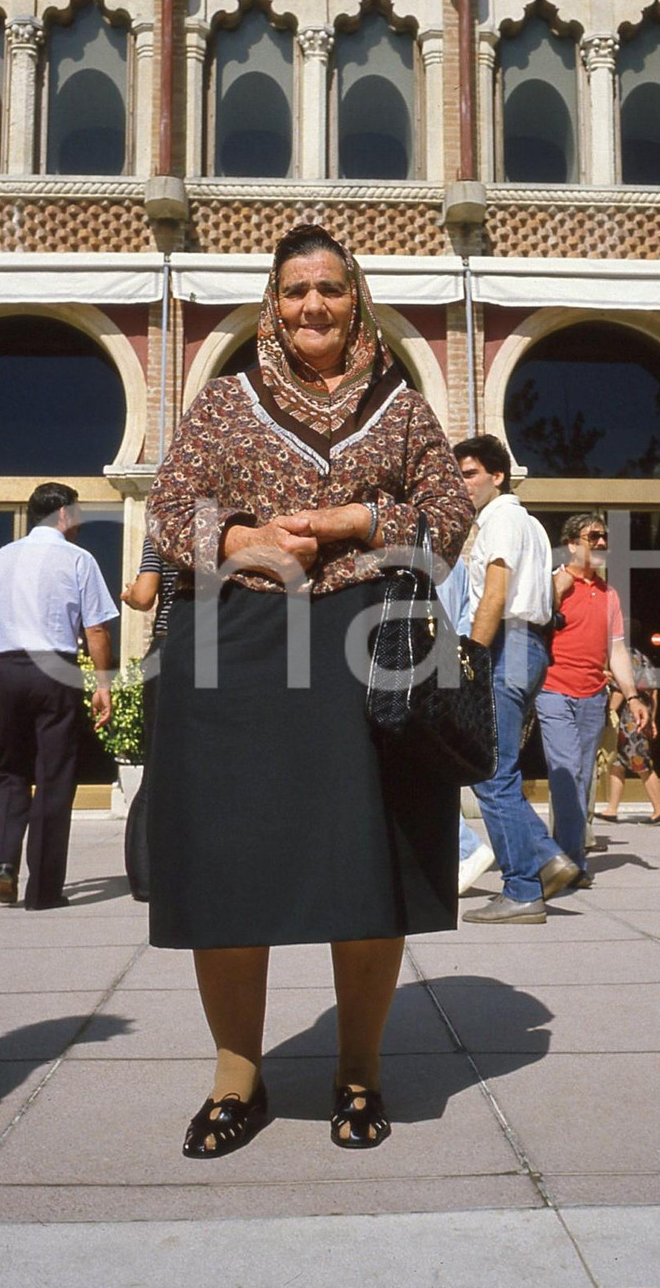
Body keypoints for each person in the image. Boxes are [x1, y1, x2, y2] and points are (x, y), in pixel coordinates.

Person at [144, 224, 474, 1157]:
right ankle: (235, 1078)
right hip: (238, 649)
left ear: (355, 296)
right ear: (272, 302)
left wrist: (360, 516)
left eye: (329, 287)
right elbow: (168, 510)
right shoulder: (222, 402)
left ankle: (358, 1070)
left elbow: (449, 517)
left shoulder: (403, 408)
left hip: (370, 657)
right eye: (294, 291)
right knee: (227, 865)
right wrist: (238, 541)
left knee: (363, 863)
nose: (312, 306)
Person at [0, 482, 118, 910]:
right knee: (54, 776)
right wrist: (102, 684)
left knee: (11, 769)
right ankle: (44, 890)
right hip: (56, 670)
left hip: (9, 669)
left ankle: (4, 866)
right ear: (65, 515)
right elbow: (98, 630)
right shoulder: (79, 560)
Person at [450, 435, 577, 925]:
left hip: (506, 645)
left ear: (497, 475)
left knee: (491, 771)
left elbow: (496, 592)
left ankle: (522, 888)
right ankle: (544, 858)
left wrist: (473, 656)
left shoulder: (500, 518)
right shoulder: (531, 524)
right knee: (499, 765)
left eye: (469, 474)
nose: (463, 486)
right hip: (530, 647)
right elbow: (544, 593)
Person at [536, 514, 649, 879]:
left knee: (583, 778)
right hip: (553, 690)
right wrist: (561, 584)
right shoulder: (554, 583)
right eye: (593, 536)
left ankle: (570, 861)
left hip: (592, 696)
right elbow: (534, 620)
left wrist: (632, 696)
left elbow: (616, 649)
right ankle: (566, 861)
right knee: (566, 771)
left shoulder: (609, 594)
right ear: (571, 543)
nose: (601, 543)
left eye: (605, 538)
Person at [119, 537, 179, 901]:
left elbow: (143, 596)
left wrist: (129, 594)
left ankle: (144, 881)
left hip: (167, 647)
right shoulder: (240, 522)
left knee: (155, 768)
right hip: (218, 646)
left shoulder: (164, 529)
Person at [435, 556, 497, 895]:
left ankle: (465, 847)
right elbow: (462, 617)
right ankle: (458, 850)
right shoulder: (457, 559)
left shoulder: (415, 548)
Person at [596, 623, 660, 825]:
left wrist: (607, 713)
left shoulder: (622, 658)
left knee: (640, 762)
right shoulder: (641, 657)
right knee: (617, 763)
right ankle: (612, 808)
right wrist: (652, 717)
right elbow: (654, 690)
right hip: (641, 715)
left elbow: (619, 690)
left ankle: (659, 808)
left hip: (628, 719)